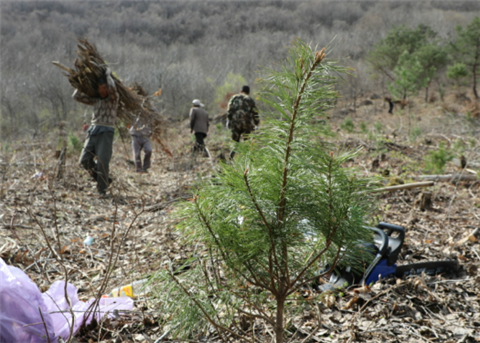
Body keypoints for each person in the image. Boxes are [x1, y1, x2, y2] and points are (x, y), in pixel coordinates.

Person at [74, 68, 119, 195]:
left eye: (104, 87)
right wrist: (81, 84)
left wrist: (108, 75)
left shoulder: (113, 100)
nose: (102, 90)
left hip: (106, 131)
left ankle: (102, 190)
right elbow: (76, 96)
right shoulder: (96, 100)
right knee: (84, 160)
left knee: (102, 163)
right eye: (100, 88)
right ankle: (105, 180)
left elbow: (114, 90)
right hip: (93, 131)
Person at [226, 85, 259, 158]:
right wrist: (257, 123)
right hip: (246, 124)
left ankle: (231, 157)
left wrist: (228, 120)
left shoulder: (234, 98)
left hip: (235, 124)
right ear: (248, 92)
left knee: (235, 142)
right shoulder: (250, 99)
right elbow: (255, 112)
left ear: (240, 91)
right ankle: (247, 159)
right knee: (247, 142)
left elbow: (229, 110)